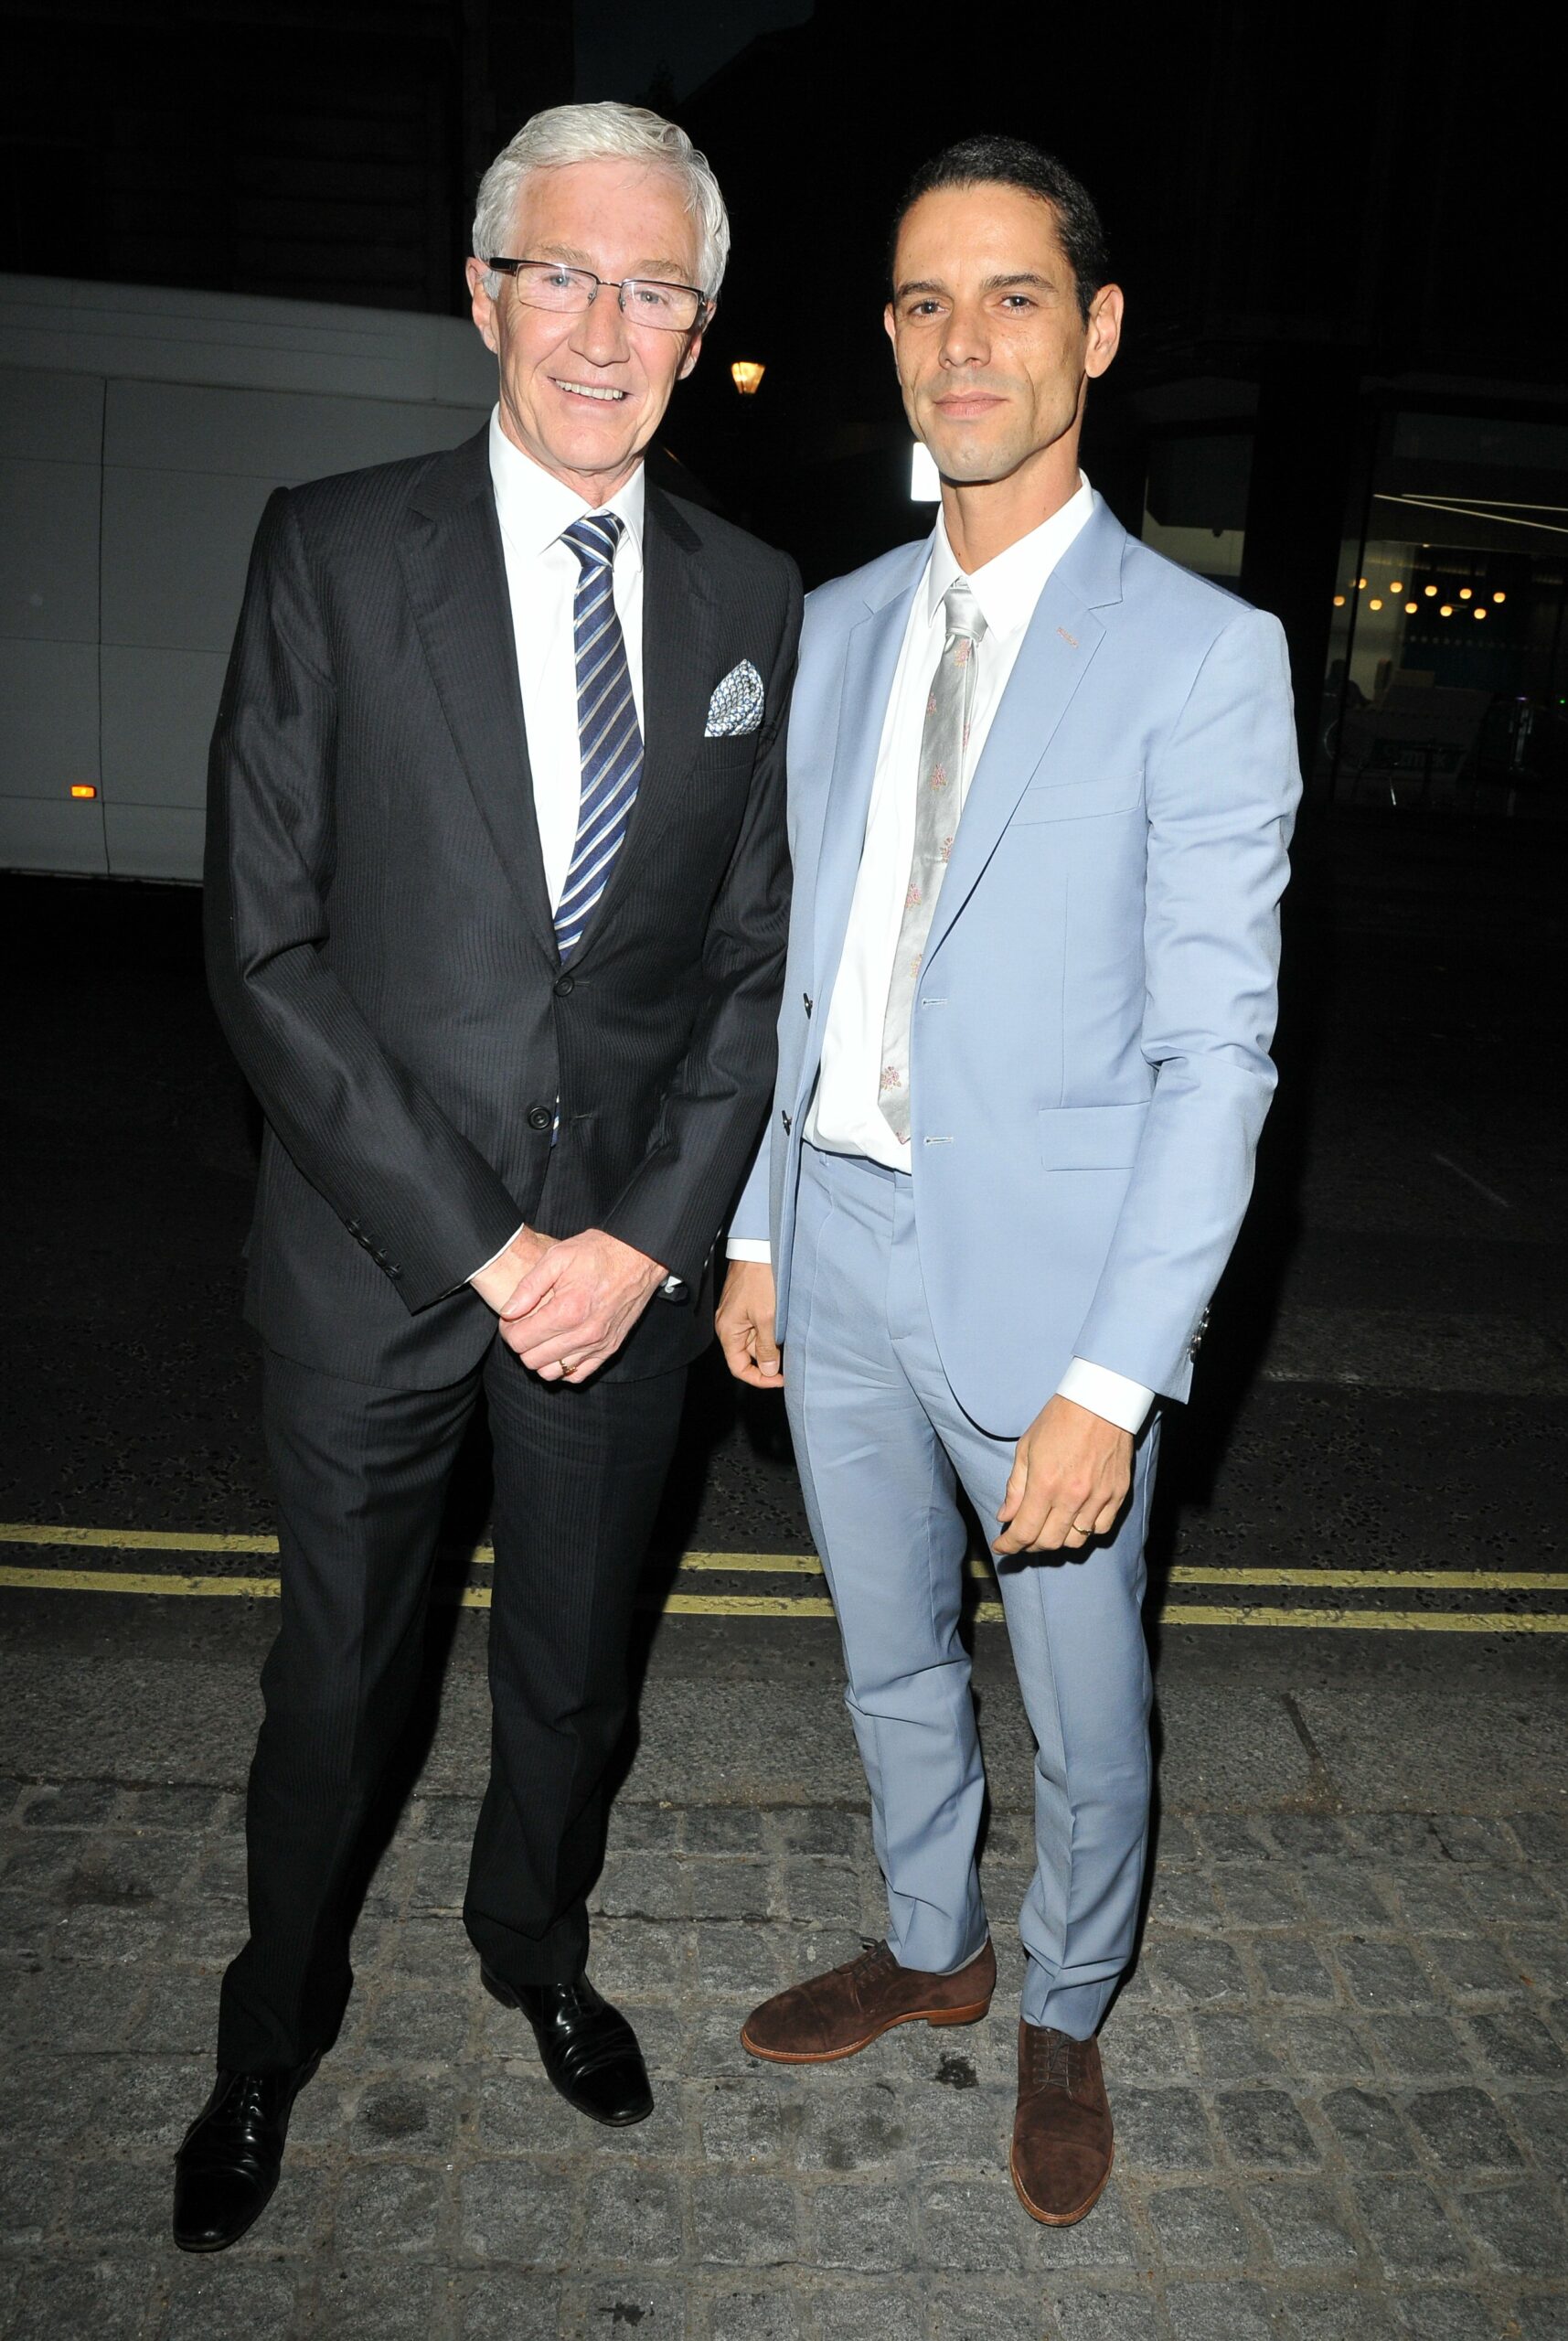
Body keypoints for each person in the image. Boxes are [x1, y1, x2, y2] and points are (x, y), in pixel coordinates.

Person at [176, 101, 799, 2253]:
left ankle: (532, 1944)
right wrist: (483, 1239)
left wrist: (635, 1241)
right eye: (565, 272)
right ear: (483, 294)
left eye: (655, 285)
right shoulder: (333, 548)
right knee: (334, 1680)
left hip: (620, 1284)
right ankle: (272, 2022)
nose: (605, 326)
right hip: (379, 1262)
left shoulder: (754, 598)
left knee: (571, 1670)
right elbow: (261, 945)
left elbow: (754, 967)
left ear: (700, 321)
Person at [718, 134, 1298, 2228]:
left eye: (1014, 296)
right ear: (890, 340)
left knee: (1085, 1691)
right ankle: (933, 1936)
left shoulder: (1204, 656)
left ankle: (1063, 2004)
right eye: (923, 301)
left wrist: (1118, 1376)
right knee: (885, 1650)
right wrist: (768, 1218)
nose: (965, 342)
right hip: (843, 1239)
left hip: (1054, 1289)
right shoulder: (844, 619)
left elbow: (1215, 1054)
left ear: (1101, 331)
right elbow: (810, 959)